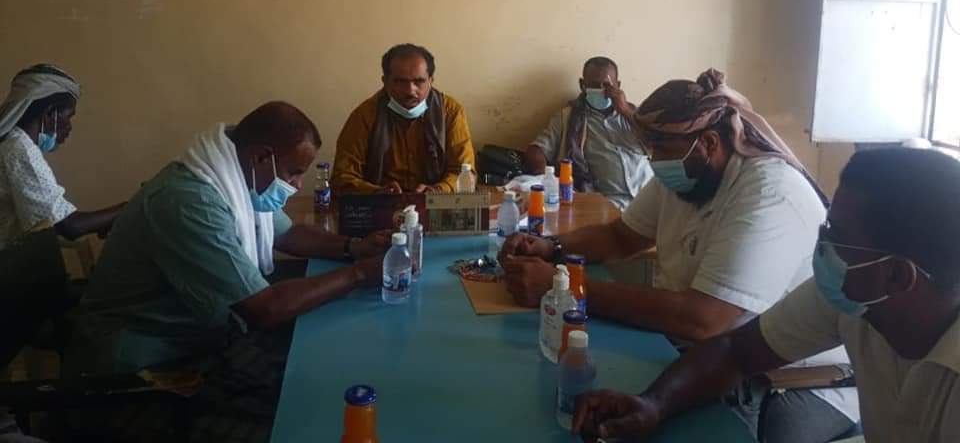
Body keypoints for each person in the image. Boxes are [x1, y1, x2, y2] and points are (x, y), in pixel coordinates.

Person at [501, 69, 858, 441]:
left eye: (662, 149)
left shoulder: (770, 194)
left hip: (795, 379)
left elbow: (702, 319)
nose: (653, 160)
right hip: (709, 357)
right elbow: (620, 238)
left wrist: (566, 289)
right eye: (651, 148)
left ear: (708, 143)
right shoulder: (684, 175)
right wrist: (552, 248)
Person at [574, 147, 960, 443]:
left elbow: (705, 322)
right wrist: (653, 404)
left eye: (838, 236)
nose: (822, 243)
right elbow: (736, 351)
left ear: (896, 276)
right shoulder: (852, 299)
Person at [67, 101, 390, 377]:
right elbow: (263, 309)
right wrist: (359, 274)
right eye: (294, 172)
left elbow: (289, 233)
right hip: (142, 355)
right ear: (262, 157)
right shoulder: (192, 201)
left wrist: (354, 247)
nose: (297, 184)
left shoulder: (233, 177)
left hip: (190, 333)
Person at [0, 64, 123, 249]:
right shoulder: (19, 150)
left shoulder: (11, 142)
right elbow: (68, 226)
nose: (70, 127)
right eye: (69, 116)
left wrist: (103, 222)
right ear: (50, 113)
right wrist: (127, 208)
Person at [331, 43, 475, 194]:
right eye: (400, 82)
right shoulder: (365, 115)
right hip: (380, 204)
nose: (410, 91)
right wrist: (376, 192)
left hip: (435, 204)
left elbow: (465, 172)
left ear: (431, 81)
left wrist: (438, 190)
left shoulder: (450, 111)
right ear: (385, 81)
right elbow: (342, 177)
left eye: (419, 82)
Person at [524, 56, 652, 209]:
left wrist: (624, 109)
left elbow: (656, 144)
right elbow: (537, 149)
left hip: (649, 197)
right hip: (608, 203)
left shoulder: (635, 115)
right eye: (594, 86)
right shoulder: (568, 117)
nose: (601, 90)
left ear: (617, 85)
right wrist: (544, 178)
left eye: (607, 85)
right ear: (582, 85)